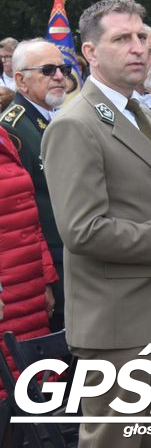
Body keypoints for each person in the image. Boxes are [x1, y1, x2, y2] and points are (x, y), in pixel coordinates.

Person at [40, 0, 151, 447]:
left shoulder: (138, 112)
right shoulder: (75, 123)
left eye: (143, 37)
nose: (138, 48)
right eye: (122, 39)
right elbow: (82, 230)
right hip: (118, 323)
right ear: (90, 53)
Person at [0, 39, 69, 328]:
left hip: (70, 253)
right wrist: (45, 277)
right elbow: (24, 207)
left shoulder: (57, 118)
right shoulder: (12, 129)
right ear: (21, 81)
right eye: (48, 69)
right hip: (50, 262)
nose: (59, 77)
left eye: (62, 69)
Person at [0, 127, 58, 387]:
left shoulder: (4, 135)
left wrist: (45, 279)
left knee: (35, 385)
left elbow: (30, 214)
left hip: (29, 285)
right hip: (5, 294)